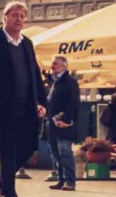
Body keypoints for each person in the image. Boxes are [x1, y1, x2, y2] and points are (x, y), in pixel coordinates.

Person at [0, 2, 46, 197]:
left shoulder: (27, 44)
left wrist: (41, 102)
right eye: (15, 15)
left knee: (28, 148)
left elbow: (35, 75)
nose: (19, 19)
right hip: (1, 109)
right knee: (8, 151)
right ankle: (9, 192)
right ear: (4, 17)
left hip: (27, 107)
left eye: (22, 16)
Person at [44, 56, 79, 192]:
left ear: (64, 66)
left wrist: (66, 119)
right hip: (51, 124)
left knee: (65, 152)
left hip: (64, 124)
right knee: (55, 154)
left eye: (55, 64)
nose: (52, 66)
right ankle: (61, 179)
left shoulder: (70, 82)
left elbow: (73, 103)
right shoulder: (53, 83)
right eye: (52, 63)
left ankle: (70, 181)